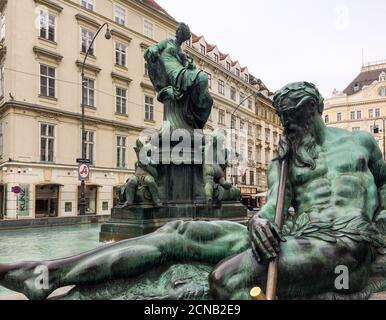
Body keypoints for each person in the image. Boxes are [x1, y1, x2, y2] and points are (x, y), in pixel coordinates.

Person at [0, 82, 385, 300]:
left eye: (297, 119)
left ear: (316, 110)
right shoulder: (283, 159)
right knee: (180, 231)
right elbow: (270, 209)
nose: (289, 129)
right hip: (295, 237)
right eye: (285, 122)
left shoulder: (360, 144)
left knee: (226, 280)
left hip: (344, 248)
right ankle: (45, 274)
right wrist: (259, 225)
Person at [144, 23, 213, 130]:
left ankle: (196, 118)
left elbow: (187, 66)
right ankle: (194, 116)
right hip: (172, 73)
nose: (177, 32)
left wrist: (190, 65)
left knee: (206, 92)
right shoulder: (167, 43)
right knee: (203, 77)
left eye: (180, 31)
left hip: (181, 71)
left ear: (184, 36)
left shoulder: (182, 53)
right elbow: (154, 48)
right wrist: (152, 50)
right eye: (177, 30)